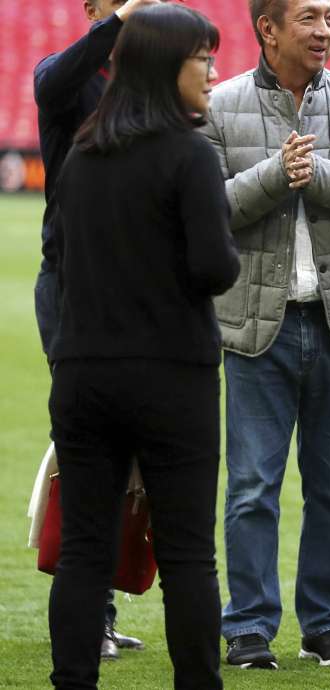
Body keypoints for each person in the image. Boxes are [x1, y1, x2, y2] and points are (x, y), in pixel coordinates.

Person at [201, 0, 330, 670]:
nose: (324, 31)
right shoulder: (220, 104)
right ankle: (249, 629)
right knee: (252, 487)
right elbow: (204, 211)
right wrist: (273, 176)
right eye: (309, 19)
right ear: (268, 28)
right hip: (254, 326)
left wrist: (317, 174)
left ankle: (326, 625)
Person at [47, 4, 237, 688]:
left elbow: (63, 259)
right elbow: (215, 269)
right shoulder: (191, 153)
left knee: (83, 553)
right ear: (167, 67)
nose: (213, 72)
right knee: (188, 557)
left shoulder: (80, 156)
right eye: (203, 59)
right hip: (170, 373)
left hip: (82, 372)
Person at [33, 0, 162, 661]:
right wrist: (119, 22)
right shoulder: (68, 76)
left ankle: (102, 609)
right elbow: (51, 82)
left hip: (138, 293)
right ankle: (88, 617)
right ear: (90, 10)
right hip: (75, 290)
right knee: (89, 454)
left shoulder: (152, 88)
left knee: (129, 456)